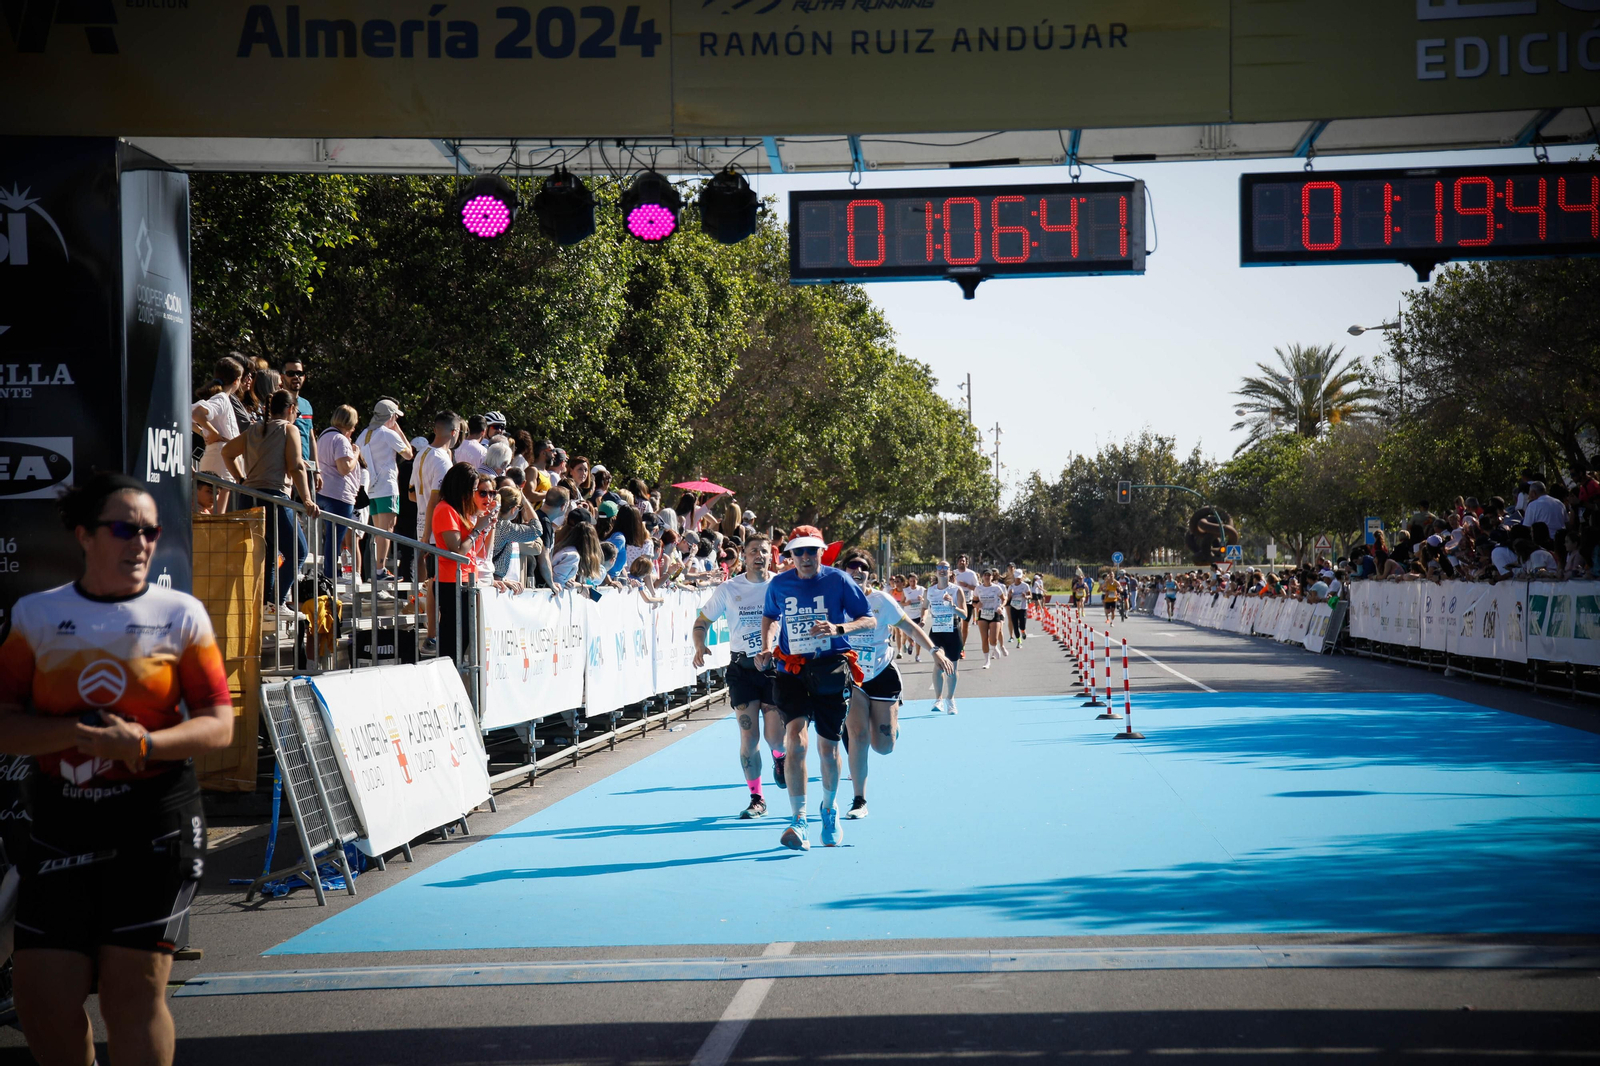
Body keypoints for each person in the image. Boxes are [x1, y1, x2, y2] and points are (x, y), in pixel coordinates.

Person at [0, 472, 234, 1066]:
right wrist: (77, 735)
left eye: (150, 531)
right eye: (124, 529)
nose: (141, 543)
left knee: (131, 995)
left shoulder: (180, 614)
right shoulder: (37, 615)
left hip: (153, 823)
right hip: (61, 825)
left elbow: (218, 724)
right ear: (84, 534)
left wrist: (145, 746)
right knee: (42, 1000)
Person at [756, 526, 874, 851]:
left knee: (828, 748)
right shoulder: (779, 584)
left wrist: (839, 628)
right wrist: (766, 647)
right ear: (789, 555)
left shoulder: (838, 580)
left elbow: (869, 619)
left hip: (830, 668)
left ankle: (829, 807)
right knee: (795, 741)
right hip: (791, 670)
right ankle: (799, 820)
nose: (805, 557)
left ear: (822, 552)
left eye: (811, 551)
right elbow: (769, 617)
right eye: (799, 551)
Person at [838, 549, 951, 820]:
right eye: (852, 565)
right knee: (857, 735)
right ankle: (859, 800)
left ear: (870, 573)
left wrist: (934, 650)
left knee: (883, 746)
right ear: (844, 571)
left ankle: (892, 726)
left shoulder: (881, 600)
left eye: (863, 566)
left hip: (881, 673)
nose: (857, 570)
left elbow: (909, 627)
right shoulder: (835, 601)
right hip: (852, 677)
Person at [694, 535, 786, 820]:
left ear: (772, 556)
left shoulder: (781, 585)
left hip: (774, 668)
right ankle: (757, 798)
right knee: (749, 736)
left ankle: (780, 758)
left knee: (775, 739)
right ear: (743, 557)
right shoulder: (729, 588)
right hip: (741, 669)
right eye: (753, 551)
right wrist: (700, 645)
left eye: (764, 551)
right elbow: (702, 622)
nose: (759, 555)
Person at [222, 389, 320, 607]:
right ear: (291, 409)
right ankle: (278, 601)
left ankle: (268, 603)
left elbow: (227, 452)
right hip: (274, 498)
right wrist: (307, 500)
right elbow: (295, 466)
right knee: (298, 551)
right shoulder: (289, 429)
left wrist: (240, 478)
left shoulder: (254, 429)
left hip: (250, 498)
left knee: (269, 556)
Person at [431, 464, 494, 664]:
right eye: (474, 488)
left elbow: (478, 550)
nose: (475, 493)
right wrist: (477, 530)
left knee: (463, 638)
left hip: (466, 580)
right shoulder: (445, 509)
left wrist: (484, 528)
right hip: (452, 582)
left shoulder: (460, 511)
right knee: (453, 639)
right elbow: (457, 550)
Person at [411, 412, 459, 655]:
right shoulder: (441, 460)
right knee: (435, 586)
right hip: (433, 530)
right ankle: (431, 635)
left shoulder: (422, 453)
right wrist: (427, 537)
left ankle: (432, 635)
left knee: (432, 584)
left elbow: (412, 493)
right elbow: (434, 499)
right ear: (454, 432)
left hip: (424, 525)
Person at [357, 399, 413, 581]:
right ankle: (379, 570)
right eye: (395, 416)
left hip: (371, 487)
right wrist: (398, 430)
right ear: (390, 417)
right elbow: (409, 453)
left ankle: (377, 569)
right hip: (387, 486)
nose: (396, 419)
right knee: (387, 529)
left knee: (378, 530)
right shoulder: (388, 434)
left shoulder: (364, 434)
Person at [315, 404, 363, 582]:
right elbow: (344, 468)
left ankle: (330, 572)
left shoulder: (324, 436)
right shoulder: (341, 439)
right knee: (336, 538)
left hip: (324, 492)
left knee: (331, 537)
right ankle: (331, 574)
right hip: (339, 495)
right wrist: (355, 454)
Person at [191, 356, 245, 514]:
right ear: (236, 381)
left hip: (217, 455)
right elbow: (196, 413)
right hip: (221, 458)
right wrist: (212, 433)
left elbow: (189, 415)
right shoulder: (222, 398)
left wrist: (204, 432)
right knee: (217, 512)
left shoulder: (221, 398)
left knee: (208, 509)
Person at [923, 560, 967, 713]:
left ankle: (950, 698)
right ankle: (938, 699)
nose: (942, 570)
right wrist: (923, 619)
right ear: (936, 571)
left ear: (950, 572)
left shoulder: (956, 591)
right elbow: (924, 608)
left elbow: (965, 615)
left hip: (953, 630)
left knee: (952, 670)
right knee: (938, 664)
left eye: (945, 568)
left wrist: (952, 606)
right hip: (936, 632)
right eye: (939, 568)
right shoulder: (930, 590)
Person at [280, 358, 317, 494]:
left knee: (306, 513)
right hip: (285, 469)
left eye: (299, 373)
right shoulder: (277, 401)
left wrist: (317, 470)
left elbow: (311, 438)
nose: (296, 377)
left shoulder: (307, 405)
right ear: (282, 377)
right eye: (291, 373)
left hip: (306, 469)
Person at [974, 569, 1004, 667]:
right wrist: (977, 605)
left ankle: (994, 647)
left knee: (993, 639)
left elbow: (1005, 598)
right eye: (985, 575)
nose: (987, 577)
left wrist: (1001, 606)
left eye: (989, 575)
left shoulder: (997, 588)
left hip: (994, 613)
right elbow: (974, 602)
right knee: (984, 639)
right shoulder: (978, 589)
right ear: (982, 577)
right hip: (983, 614)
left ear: (992, 576)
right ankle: (987, 661)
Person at [951, 553, 979, 649]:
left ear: (966, 563)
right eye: (960, 561)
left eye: (963, 561)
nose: (961, 562)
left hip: (968, 603)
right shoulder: (953, 573)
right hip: (956, 603)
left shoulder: (971, 574)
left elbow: (977, 588)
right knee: (956, 625)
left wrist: (967, 586)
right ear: (957, 563)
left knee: (965, 625)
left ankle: (962, 647)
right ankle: (956, 644)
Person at [1007, 571, 1031, 644]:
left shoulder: (1025, 585)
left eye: (1020, 578)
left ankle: (1023, 631)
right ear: (1015, 578)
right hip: (1014, 607)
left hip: (1022, 608)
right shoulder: (1011, 586)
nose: (1019, 579)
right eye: (1017, 578)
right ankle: (1019, 641)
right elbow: (1007, 599)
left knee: (1022, 625)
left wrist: (1026, 596)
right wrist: (1010, 594)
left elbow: (1030, 596)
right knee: (1015, 625)